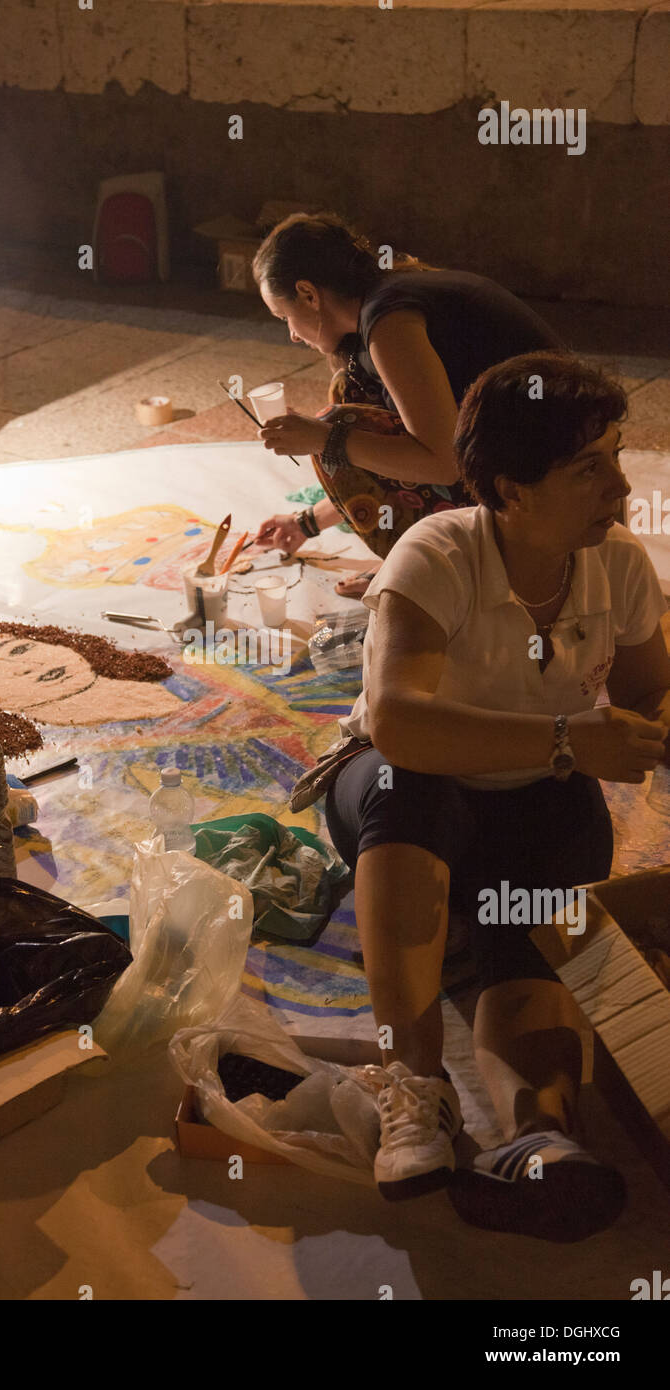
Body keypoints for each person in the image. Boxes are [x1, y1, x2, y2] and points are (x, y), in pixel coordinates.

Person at [314, 352, 670, 1240]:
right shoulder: (438, 553)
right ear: (510, 490)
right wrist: (563, 741)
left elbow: (648, 693)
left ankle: (539, 1140)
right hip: (404, 784)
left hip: (538, 794)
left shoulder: (617, 565)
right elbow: (400, 720)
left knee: (528, 950)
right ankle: (416, 1088)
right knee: (415, 795)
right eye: (589, 468)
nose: (620, 487)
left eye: (617, 457)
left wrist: (641, 731)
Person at [251, 213, 563, 597]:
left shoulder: (391, 320)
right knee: (348, 393)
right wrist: (306, 523)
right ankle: (415, 558)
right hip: (533, 467)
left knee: (337, 422)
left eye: (285, 316)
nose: (293, 335)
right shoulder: (384, 299)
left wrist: (323, 438)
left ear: (309, 294)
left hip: (549, 497)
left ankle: (437, 573)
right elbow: (401, 455)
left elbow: (441, 463)